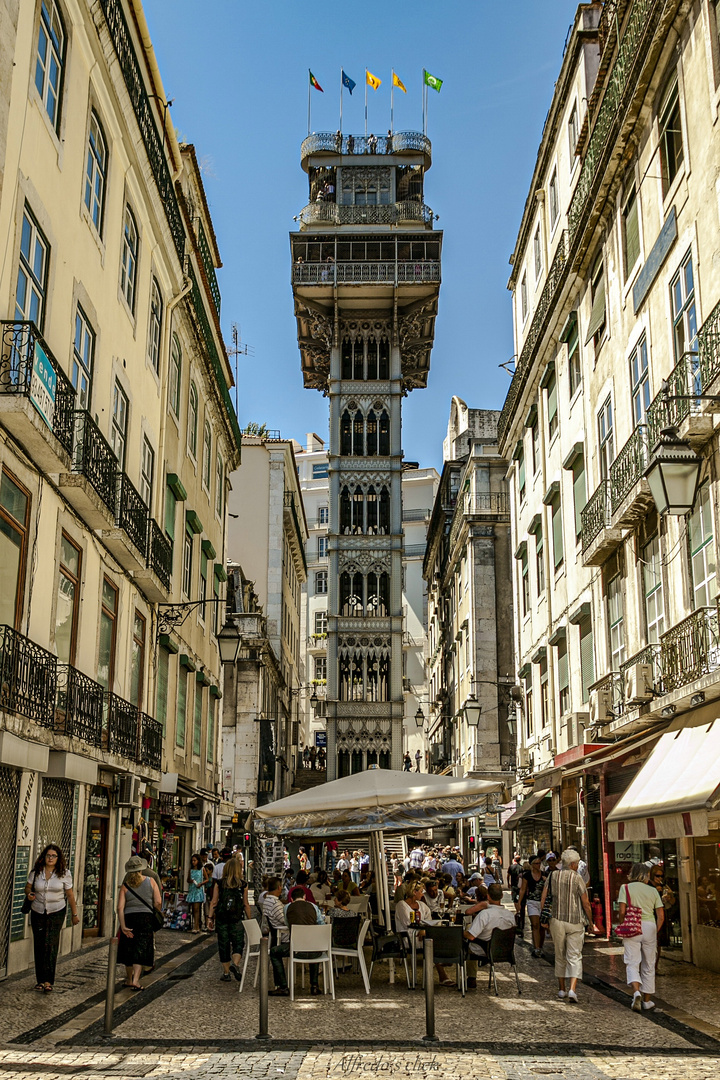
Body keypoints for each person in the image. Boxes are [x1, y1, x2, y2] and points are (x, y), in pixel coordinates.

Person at [541, 848, 595, 1003]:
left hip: (557, 920)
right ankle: (572, 989)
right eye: (577, 863)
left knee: (560, 954)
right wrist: (590, 922)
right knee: (575, 955)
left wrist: (544, 919)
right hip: (576, 920)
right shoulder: (577, 878)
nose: (578, 866)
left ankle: (561, 989)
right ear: (572, 864)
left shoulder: (552, 876)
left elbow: (543, 899)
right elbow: (586, 903)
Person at [25, 844, 79, 992]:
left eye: (53, 856)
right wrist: (29, 894)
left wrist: (74, 914)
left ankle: (48, 981)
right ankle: (40, 980)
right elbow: (28, 887)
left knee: (51, 944)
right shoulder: (36, 872)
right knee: (40, 944)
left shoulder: (64, 873)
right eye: (48, 855)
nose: (50, 858)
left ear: (58, 858)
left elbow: (70, 894)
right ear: (44, 857)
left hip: (57, 911)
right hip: (38, 911)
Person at [618, 862, 664, 1011]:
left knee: (632, 961)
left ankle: (636, 992)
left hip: (632, 926)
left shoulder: (625, 888)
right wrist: (654, 930)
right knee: (649, 964)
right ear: (646, 876)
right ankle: (647, 1001)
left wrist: (623, 924)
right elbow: (661, 916)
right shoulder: (653, 891)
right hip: (650, 926)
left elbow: (622, 912)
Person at [269, 885, 324, 996]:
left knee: (274, 952)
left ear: (292, 899)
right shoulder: (313, 906)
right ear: (304, 897)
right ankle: (314, 985)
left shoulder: (287, 907)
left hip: (296, 949)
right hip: (315, 951)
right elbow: (321, 925)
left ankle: (283, 986)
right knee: (313, 944)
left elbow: (287, 924)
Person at [117, 856, 162, 990]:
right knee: (141, 949)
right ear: (141, 869)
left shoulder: (125, 886)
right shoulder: (151, 881)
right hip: (145, 919)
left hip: (129, 918)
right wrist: (154, 912)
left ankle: (129, 979)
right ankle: (136, 980)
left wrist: (123, 925)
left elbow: (120, 907)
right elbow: (158, 902)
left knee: (129, 949)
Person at [395, 883, 454, 986]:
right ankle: (442, 967)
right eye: (421, 892)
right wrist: (423, 930)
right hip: (408, 937)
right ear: (414, 892)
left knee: (434, 938)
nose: (422, 894)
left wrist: (424, 930)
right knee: (431, 940)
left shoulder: (422, 905)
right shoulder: (401, 905)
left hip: (424, 935)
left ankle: (442, 964)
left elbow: (429, 920)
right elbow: (408, 923)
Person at [464, 883, 516, 989]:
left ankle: (471, 977)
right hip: (505, 950)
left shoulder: (485, 914)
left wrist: (461, 932)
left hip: (485, 949)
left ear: (488, 896)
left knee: (466, 943)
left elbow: (471, 937)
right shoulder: (510, 915)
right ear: (502, 896)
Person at [207, 856, 251, 981]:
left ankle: (226, 973)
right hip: (237, 918)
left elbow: (214, 902)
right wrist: (249, 919)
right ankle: (235, 964)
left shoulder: (219, 884)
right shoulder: (243, 885)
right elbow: (246, 904)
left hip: (222, 918)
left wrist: (210, 918)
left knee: (224, 945)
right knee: (238, 943)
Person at [517, 857, 546, 957]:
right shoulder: (527, 875)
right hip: (532, 902)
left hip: (543, 903)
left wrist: (546, 881)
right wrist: (519, 902)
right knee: (535, 925)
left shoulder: (544, 875)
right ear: (532, 865)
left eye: (539, 863)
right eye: (536, 863)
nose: (538, 865)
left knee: (542, 927)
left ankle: (540, 946)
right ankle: (536, 948)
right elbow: (523, 889)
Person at [186, 853, 205, 933]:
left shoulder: (202, 869)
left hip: (198, 890)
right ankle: (195, 925)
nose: (193, 862)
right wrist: (191, 881)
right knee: (193, 909)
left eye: (195, 860)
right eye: (192, 861)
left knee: (197, 909)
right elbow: (187, 880)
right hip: (192, 890)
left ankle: (196, 926)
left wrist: (201, 883)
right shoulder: (190, 870)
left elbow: (207, 879)